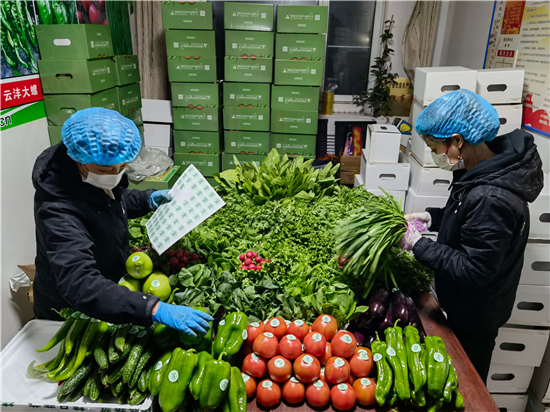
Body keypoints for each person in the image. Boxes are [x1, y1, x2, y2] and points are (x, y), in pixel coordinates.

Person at [400, 89, 544, 384]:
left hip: (477, 314)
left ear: (457, 141)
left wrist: (418, 244)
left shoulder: (493, 196)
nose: (434, 155)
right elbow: (466, 219)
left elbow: (474, 268)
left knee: (468, 385)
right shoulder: (483, 169)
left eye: (435, 147)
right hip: (463, 302)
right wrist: (430, 218)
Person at [32, 108, 212, 337]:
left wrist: (146, 199)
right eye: (106, 170)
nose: (115, 174)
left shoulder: (88, 177)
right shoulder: (57, 210)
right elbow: (79, 283)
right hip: (70, 313)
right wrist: (153, 308)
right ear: (77, 159)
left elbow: (108, 202)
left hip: (111, 292)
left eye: (123, 167)